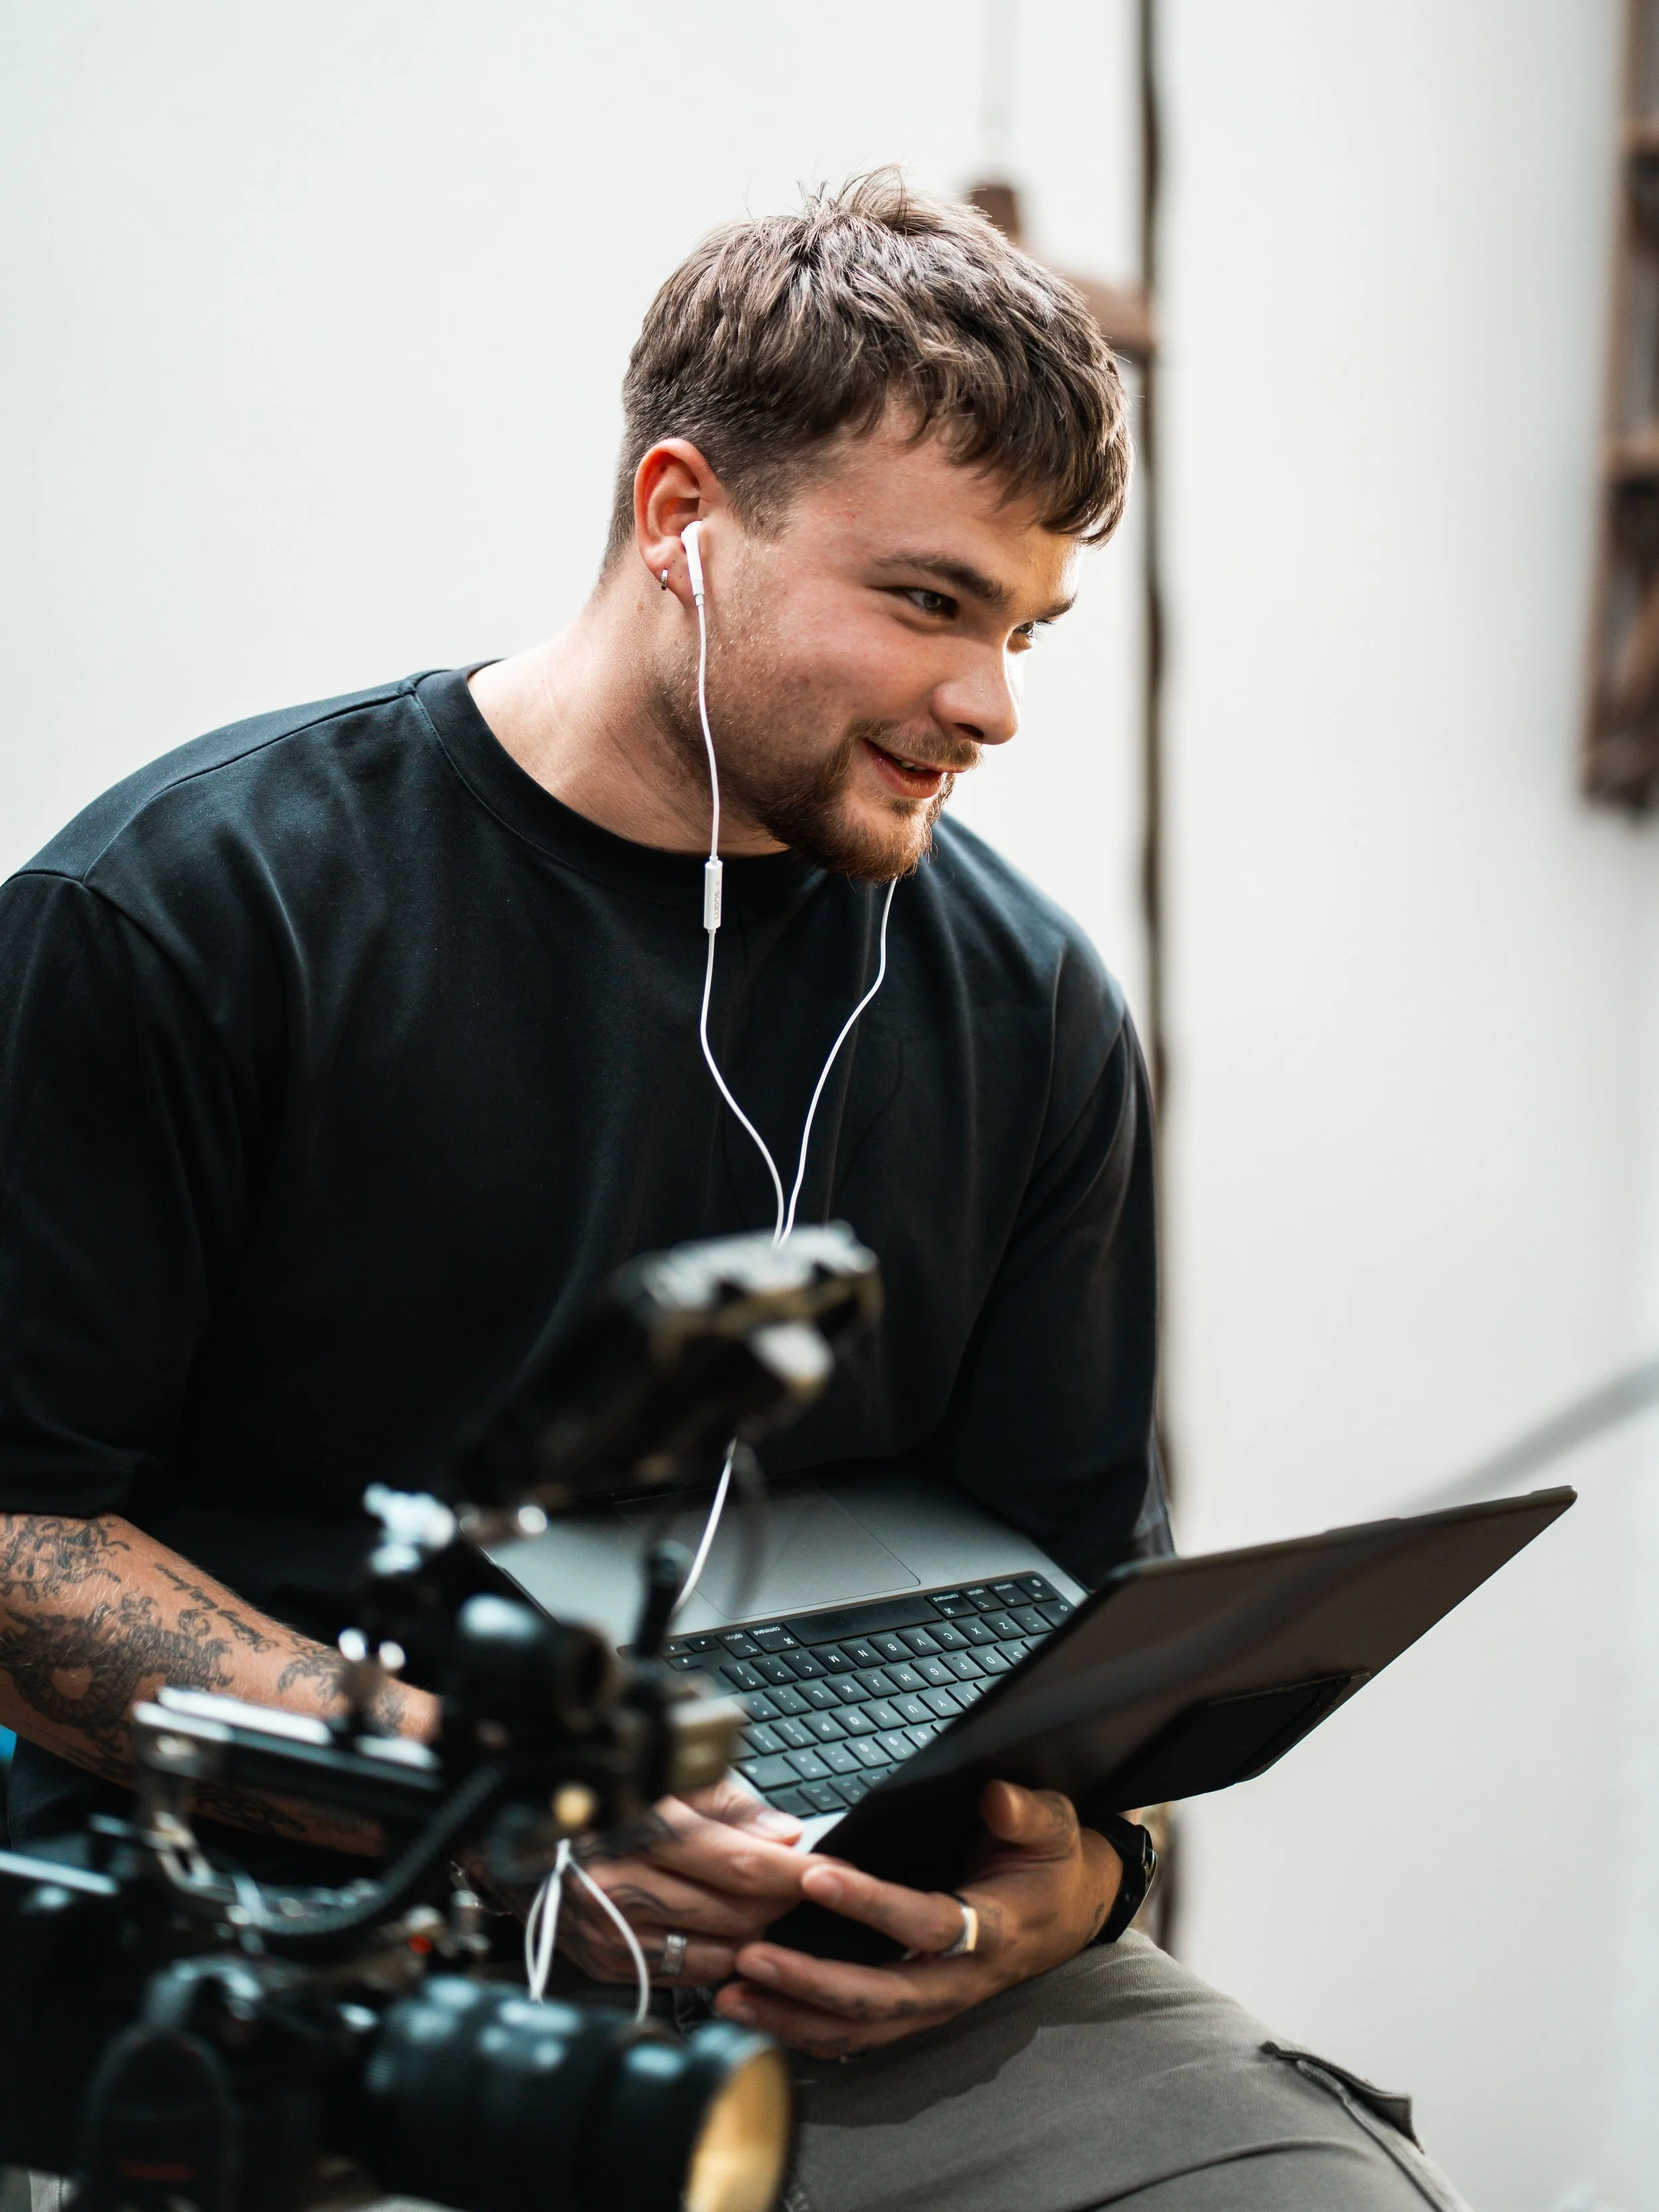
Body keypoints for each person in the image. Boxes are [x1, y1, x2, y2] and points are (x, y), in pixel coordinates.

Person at [0, 173, 1469, 2209]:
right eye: (933, 601)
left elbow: (1064, 1598)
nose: (994, 704)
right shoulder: (187, 911)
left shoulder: (1031, 1006)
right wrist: (508, 1810)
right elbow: (11, 1537)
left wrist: (1077, 1873)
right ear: (683, 515)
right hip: (298, 1941)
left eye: (1028, 626)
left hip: (841, 1975)